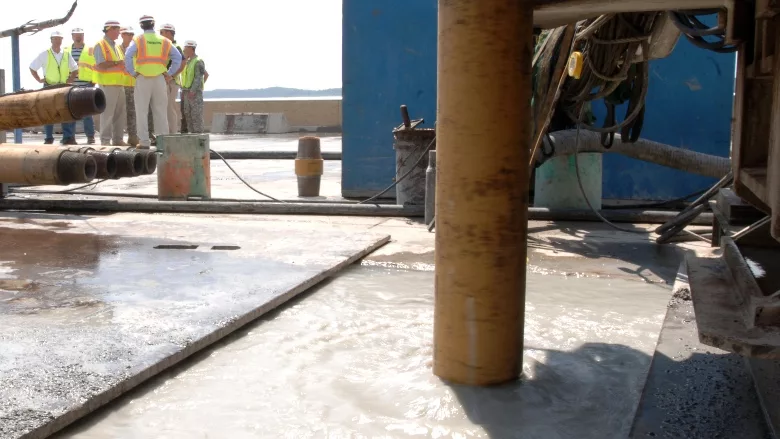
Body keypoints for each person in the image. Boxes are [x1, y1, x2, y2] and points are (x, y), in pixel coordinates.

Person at [124, 15, 182, 149]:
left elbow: (128, 55)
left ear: (141, 26)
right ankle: (163, 143)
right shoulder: (164, 41)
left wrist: (133, 72)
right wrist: (170, 73)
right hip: (159, 78)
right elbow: (178, 57)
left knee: (141, 111)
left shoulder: (138, 40)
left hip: (143, 77)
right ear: (154, 24)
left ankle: (144, 142)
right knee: (160, 111)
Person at [29, 31, 78, 145]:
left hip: (63, 86)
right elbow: (32, 67)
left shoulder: (66, 54)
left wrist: (70, 80)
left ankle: (67, 137)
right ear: (51, 40)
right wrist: (39, 79)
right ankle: (48, 137)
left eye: (59, 39)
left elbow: (75, 69)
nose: (57, 41)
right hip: (49, 86)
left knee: (64, 112)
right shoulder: (45, 54)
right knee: (48, 112)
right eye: (55, 39)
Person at [93, 20, 128, 146]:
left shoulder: (116, 47)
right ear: (110, 29)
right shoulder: (100, 45)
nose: (119, 33)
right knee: (107, 114)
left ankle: (118, 139)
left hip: (119, 84)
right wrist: (117, 63)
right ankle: (105, 140)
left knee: (119, 114)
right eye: (117, 30)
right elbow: (100, 64)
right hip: (107, 84)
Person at [69, 28, 96, 144]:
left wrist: (94, 81)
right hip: (71, 85)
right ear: (72, 36)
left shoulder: (90, 49)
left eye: (80, 35)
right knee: (70, 112)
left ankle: (90, 136)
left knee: (87, 112)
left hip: (86, 84)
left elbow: (95, 65)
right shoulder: (67, 50)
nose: (78, 37)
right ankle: (70, 137)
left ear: (83, 36)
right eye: (76, 35)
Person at [159, 24, 185, 134]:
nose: (160, 35)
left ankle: (173, 133)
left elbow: (183, 63)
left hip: (171, 82)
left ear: (169, 33)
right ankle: (166, 133)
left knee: (169, 108)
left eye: (162, 32)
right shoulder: (164, 46)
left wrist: (171, 76)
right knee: (164, 108)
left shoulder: (175, 46)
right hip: (165, 81)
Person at [180, 40, 206, 133]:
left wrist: (193, 90)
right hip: (186, 91)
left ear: (191, 48)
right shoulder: (187, 62)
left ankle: (198, 134)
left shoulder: (198, 61)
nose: (184, 50)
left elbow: (198, 77)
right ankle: (192, 134)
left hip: (194, 93)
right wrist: (183, 91)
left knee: (196, 115)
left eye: (185, 48)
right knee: (188, 114)